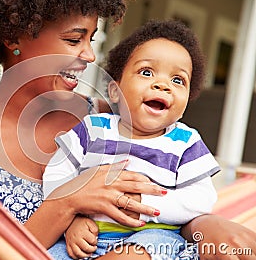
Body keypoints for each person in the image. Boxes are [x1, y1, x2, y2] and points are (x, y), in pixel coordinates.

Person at [0, 0, 256, 259]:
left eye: (91, 39)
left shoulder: (106, 117)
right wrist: (69, 202)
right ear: (12, 35)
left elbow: (156, 210)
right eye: (74, 39)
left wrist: (202, 225)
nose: (89, 55)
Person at [43, 19, 219, 259]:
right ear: (115, 90)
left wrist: (144, 204)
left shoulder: (185, 142)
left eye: (178, 80)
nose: (163, 85)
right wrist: (71, 220)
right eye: (146, 72)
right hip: (85, 233)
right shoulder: (93, 128)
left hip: (150, 234)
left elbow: (201, 199)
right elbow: (56, 173)